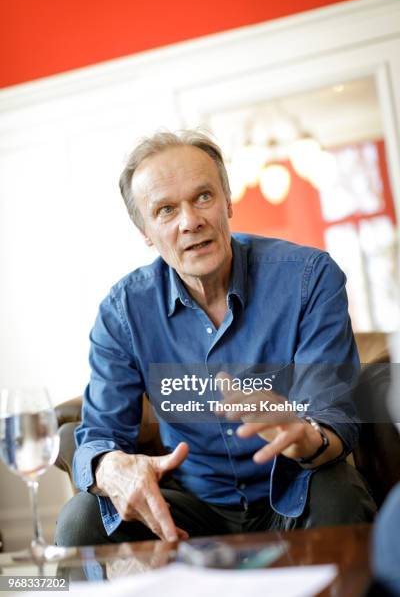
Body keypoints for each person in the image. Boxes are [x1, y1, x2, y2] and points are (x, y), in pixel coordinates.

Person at [55, 130, 375, 546]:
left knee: (339, 493)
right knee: (81, 519)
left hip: (296, 489)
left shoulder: (309, 277)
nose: (191, 221)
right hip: (191, 508)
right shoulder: (123, 312)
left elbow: (333, 416)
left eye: (203, 197)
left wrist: (306, 435)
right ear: (146, 232)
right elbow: (100, 434)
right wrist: (109, 466)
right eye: (167, 209)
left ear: (228, 202)